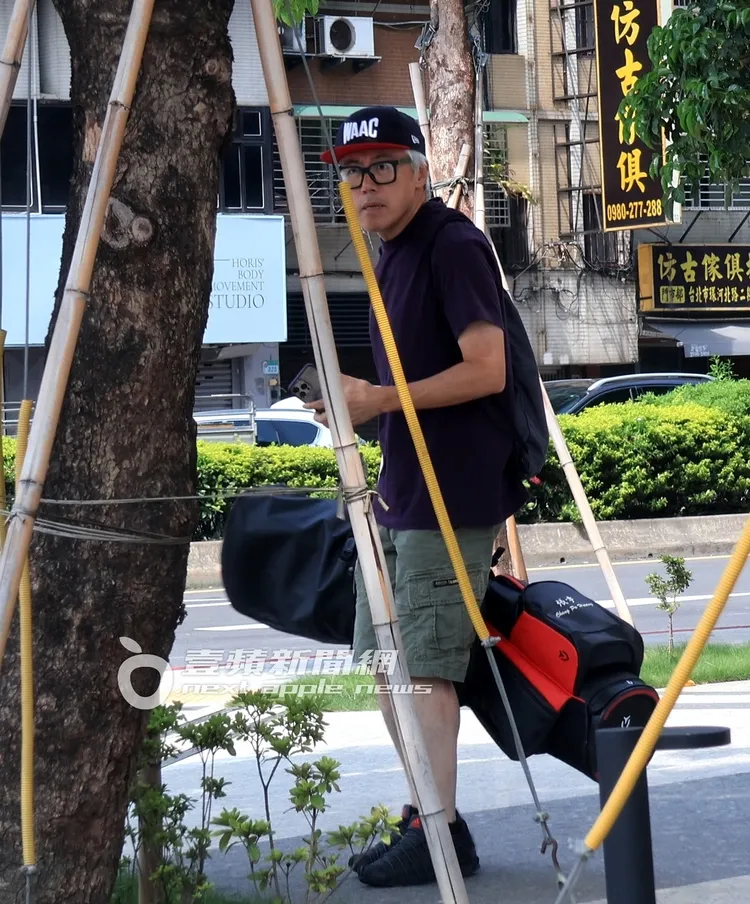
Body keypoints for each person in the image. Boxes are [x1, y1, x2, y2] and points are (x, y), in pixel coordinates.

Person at [305, 106, 527, 887]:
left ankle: (444, 831)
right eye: (351, 170)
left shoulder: (453, 243)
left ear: (420, 169)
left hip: (450, 493)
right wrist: (357, 408)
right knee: (386, 662)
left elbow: (486, 369)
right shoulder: (385, 254)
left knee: (426, 665)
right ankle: (422, 815)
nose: (365, 184)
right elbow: (402, 389)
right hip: (400, 490)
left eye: (382, 166)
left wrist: (381, 399)